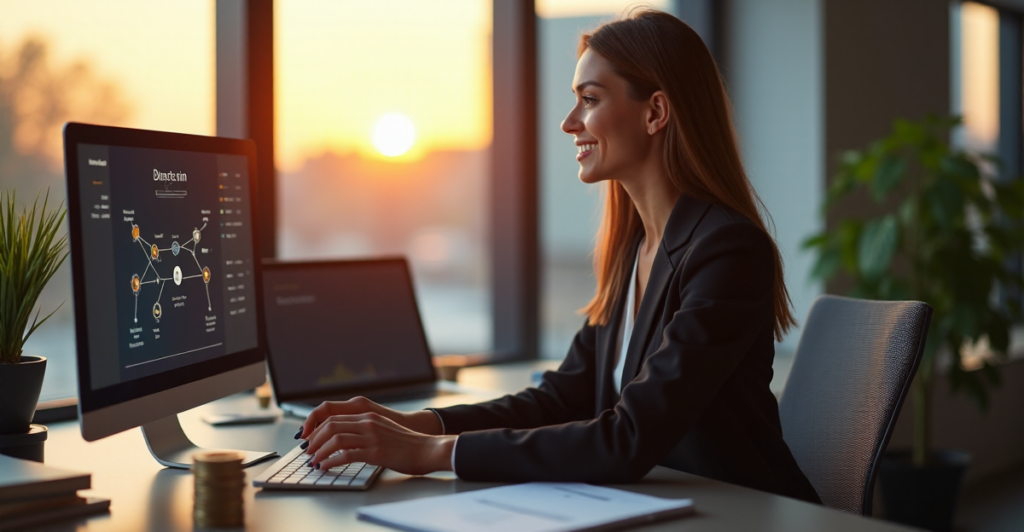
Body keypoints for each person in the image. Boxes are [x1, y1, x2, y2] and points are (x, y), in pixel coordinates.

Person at [297, 9, 820, 504]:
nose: (570, 122)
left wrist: (431, 454)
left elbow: (628, 438)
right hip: (666, 506)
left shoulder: (727, 250)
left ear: (655, 112)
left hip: (744, 514)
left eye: (589, 99)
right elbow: (558, 399)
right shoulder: (634, 249)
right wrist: (413, 424)